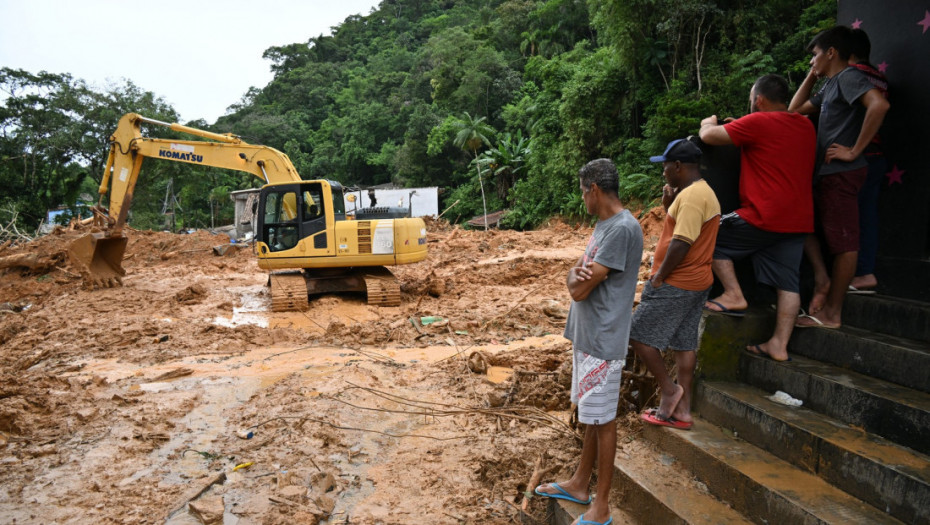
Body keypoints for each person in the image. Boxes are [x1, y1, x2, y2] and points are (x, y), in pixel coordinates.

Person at [534, 158, 643, 525]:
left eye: (583, 192)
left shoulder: (622, 230)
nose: (582, 199)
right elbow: (575, 276)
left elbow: (579, 290)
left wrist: (574, 281)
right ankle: (580, 484)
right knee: (592, 417)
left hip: (603, 340)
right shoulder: (604, 226)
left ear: (594, 189)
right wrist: (571, 277)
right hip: (589, 337)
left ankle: (602, 505)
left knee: (604, 420)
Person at [698, 74, 816, 362]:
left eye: (752, 99)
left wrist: (708, 123)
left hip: (762, 214)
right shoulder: (805, 125)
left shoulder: (759, 122)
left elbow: (709, 137)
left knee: (709, 233)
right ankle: (779, 344)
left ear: (759, 100)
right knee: (788, 283)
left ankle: (733, 293)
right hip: (797, 220)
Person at [788, 25, 889, 329]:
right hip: (829, 175)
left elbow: (879, 105)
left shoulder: (850, 77)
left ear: (831, 52)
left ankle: (832, 314)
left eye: (815, 55)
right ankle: (825, 292)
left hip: (843, 173)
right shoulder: (834, 83)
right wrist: (813, 75)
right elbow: (794, 111)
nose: (811, 61)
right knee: (820, 232)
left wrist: (854, 150)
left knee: (845, 244)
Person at [632, 139, 720, 428]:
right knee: (684, 344)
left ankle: (669, 392)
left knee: (638, 335)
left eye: (666, 166)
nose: (663, 172)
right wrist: (671, 206)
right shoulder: (698, 193)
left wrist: (659, 277)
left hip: (678, 281)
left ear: (679, 166)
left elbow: (682, 242)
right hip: (697, 281)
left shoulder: (693, 197)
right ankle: (683, 411)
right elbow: (682, 230)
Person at [847, 28, 889, 292]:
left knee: (849, 219)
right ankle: (865, 272)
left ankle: (853, 273)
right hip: (876, 155)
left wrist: (852, 150)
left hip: (858, 157)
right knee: (866, 216)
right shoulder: (879, 77)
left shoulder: (853, 75)